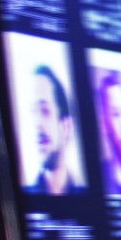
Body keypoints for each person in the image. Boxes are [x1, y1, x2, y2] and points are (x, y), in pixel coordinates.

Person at [27, 66, 82, 196]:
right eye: (33, 112)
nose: (37, 124)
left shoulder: (85, 195)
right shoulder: (26, 197)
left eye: (45, 111)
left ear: (66, 126)